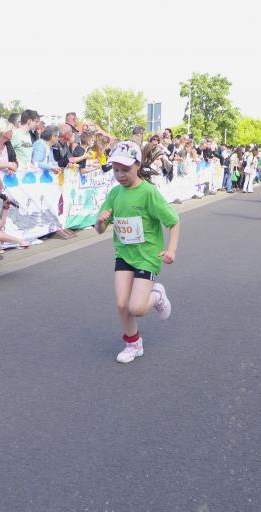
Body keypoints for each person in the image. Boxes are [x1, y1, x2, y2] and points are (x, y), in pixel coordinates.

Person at [94, 141, 180, 364]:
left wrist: (171, 250)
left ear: (137, 165)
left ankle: (157, 294)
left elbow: (173, 221)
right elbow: (99, 229)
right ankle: (133, 344)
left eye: (125, 169)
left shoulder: (148, 192)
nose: (120, 175)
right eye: (116, 170)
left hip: (147, 256)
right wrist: (101, 221)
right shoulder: (115, 194)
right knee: (122, 305)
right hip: (124, 254)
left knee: (137, 308)